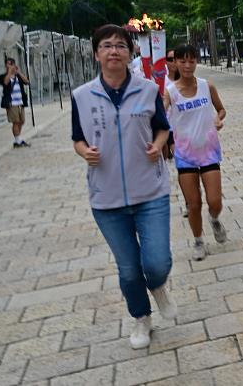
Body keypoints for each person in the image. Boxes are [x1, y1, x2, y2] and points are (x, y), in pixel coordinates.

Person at [71, 24, 176, 349]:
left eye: (120, 45)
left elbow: (163, 128)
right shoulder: (81, 96)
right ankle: (141, 318)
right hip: (107, 198)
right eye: (106, 45)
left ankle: (158, 285)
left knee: (156, 263)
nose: (113, 50)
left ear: (131, 53)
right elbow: (77, 137)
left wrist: (158, 145)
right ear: (96, 53)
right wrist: (84, 152)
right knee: (129, 270)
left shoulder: (147, 90)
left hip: (150, 192)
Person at [163, 44, 228, 261]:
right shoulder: (170, 92)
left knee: (214, 201)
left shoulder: (206, 86)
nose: (188, 65)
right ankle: (199, 241)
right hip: (185, 155)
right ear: (175, 63)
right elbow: (160, 117)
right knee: (193, 204)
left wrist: (219, 118)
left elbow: (221, 108)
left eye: (192, 61)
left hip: (208, 151)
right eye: (182, 61)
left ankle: (214, 218)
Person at [0, 58, 30, 148]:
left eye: (12, 63)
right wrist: (9, 72)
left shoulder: (18, 76)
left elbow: (27, 82)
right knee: (16, 122)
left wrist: (18, 72)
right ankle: (17, 140)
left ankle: (18, 139)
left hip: (20, 102)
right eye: (8, 64)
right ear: (6, 65)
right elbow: (5, 82)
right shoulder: (3, 76)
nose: (10, 65)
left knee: (22, 121)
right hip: (11, 103)